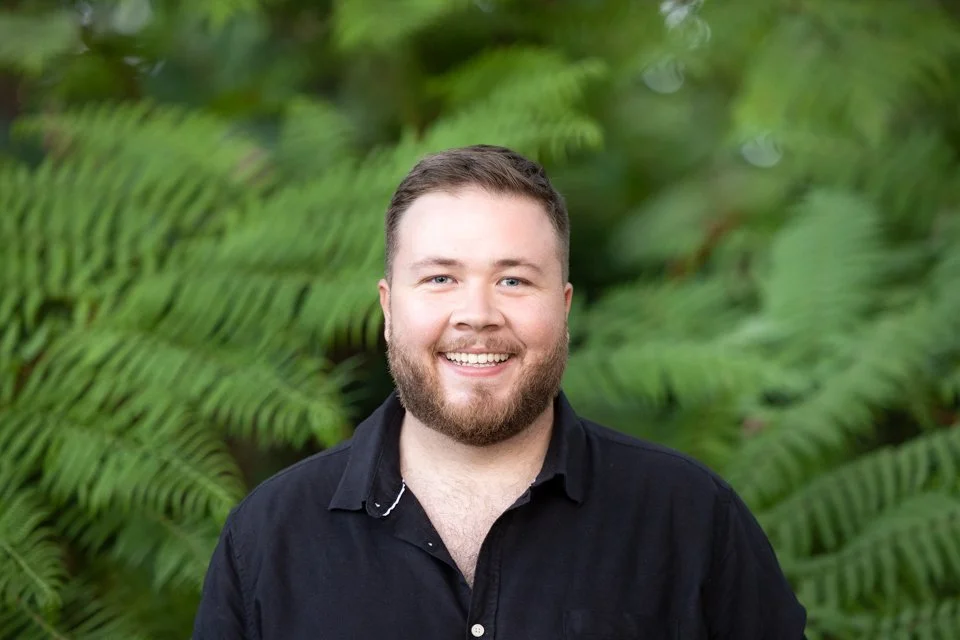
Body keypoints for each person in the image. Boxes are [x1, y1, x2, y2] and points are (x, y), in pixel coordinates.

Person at [192, 144, 807, 639]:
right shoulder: (268, 539)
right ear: (388, 308)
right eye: (440, 278)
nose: (477, 314)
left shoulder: (691, 519)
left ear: (563, 308)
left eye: (513, 279)